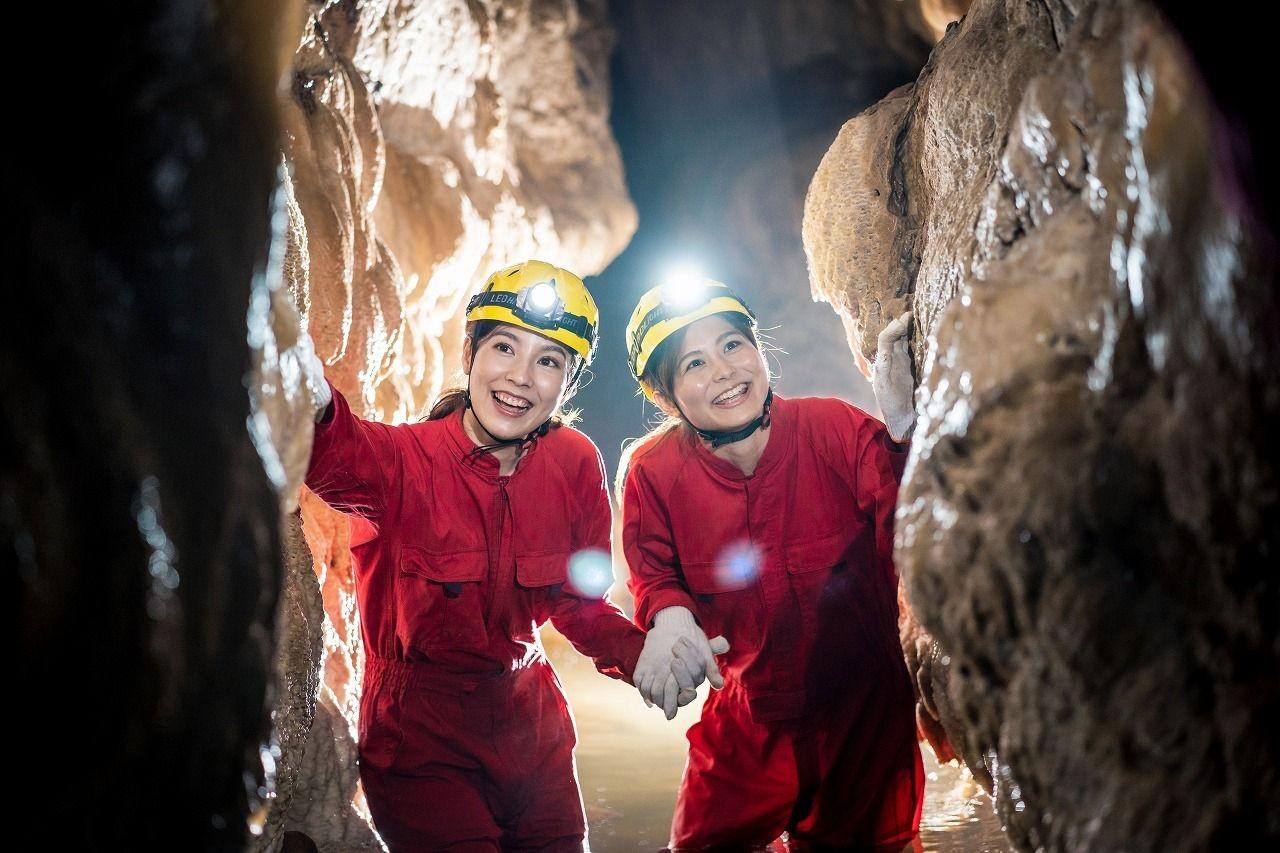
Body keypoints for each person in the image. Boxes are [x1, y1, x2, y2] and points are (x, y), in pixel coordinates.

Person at [300, 260, 649, 852]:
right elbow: (336, 452)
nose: (521, 378)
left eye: (549, 361)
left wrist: (644, 655)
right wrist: (305, 387)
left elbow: (577, 603)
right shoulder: (404, 462)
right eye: (505, 348)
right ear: (470, 353)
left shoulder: (574, 463)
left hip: (532, 730)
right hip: (421, 742)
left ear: (568, 382)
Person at [618, 278, 924, 851]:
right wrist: (669, 615)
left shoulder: (833, 429)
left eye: (733, 345)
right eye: (695, 363)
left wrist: (910, 436)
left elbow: (912, 523)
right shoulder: (654, 475)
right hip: (745, 725)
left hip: (863, 725)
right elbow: (655, 572)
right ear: (667, 397)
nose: (725, 371)